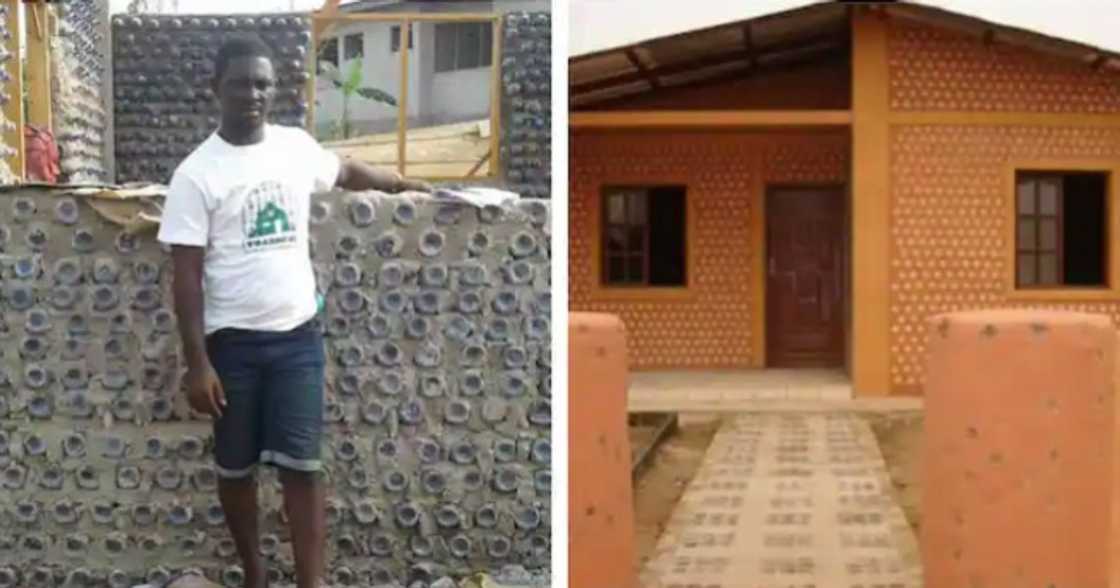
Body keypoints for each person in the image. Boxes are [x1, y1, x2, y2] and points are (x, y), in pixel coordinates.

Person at [157, 34, 430, 588]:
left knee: (303, 467)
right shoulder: (196, 174)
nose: (252, 94)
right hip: (231, 346)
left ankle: (311, 581)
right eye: (239, 84)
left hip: (297, 340)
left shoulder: (294, 148)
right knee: (235, 468)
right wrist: (196, 364)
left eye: (262, 84)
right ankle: (254, 573)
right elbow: (185, 275)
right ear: (217, 90)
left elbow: (347, 172)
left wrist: (400, 183)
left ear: (274, 90)